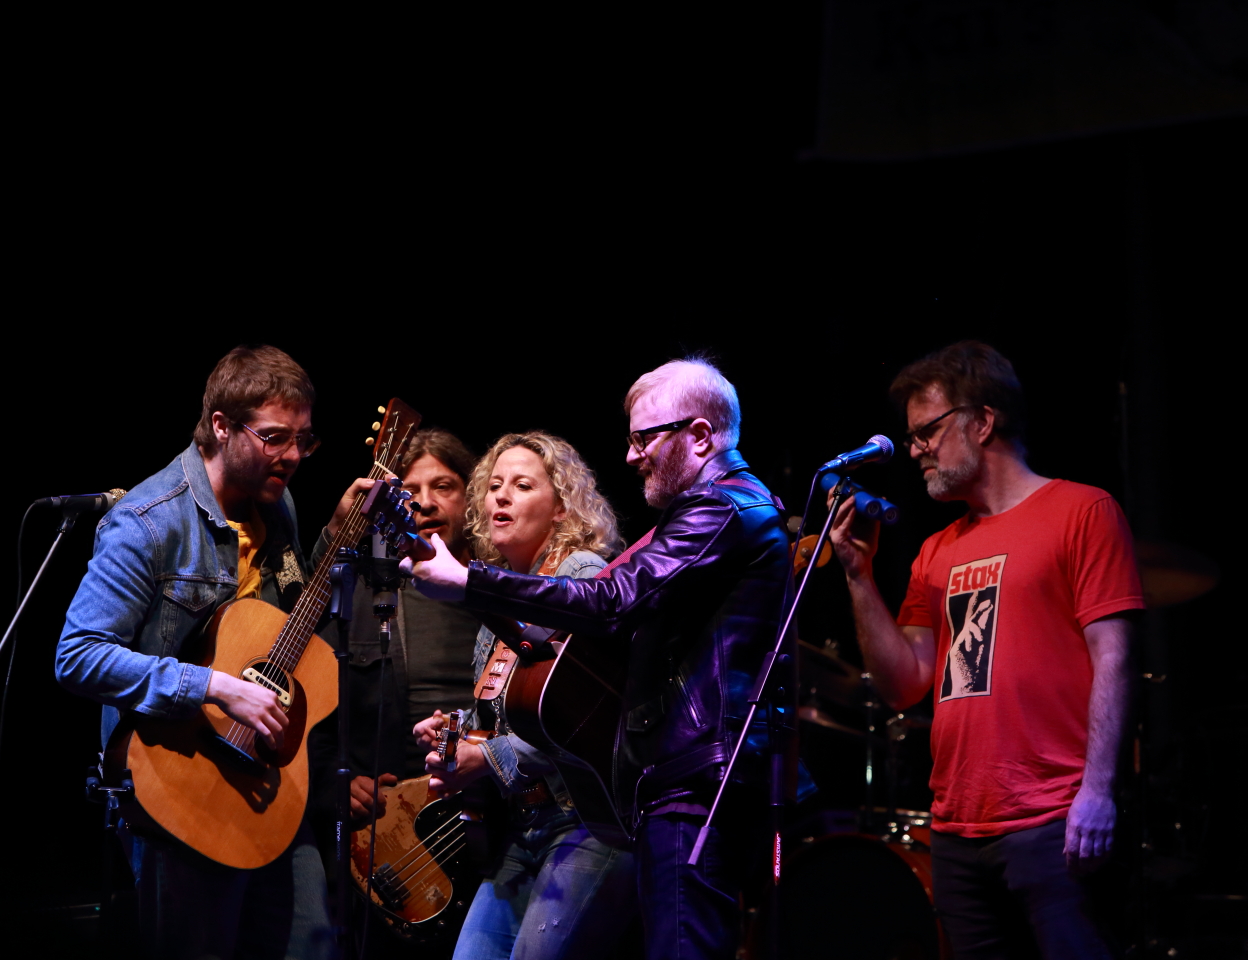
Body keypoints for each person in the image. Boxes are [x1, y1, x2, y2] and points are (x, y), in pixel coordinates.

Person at [405, 359, 793, 960]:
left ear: (699, 436)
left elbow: (612, 601)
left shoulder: (723, 509)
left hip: (691, 783)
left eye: (645, 438)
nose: (632, 455)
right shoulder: (707, 513)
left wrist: (470, 583)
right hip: (668, 780)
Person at [826, 341, 1140, 960]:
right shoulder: (936, 551)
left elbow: (1115, 656)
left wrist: (1099, 791)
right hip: (956, 830)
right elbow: (904, 683)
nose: (914, 449)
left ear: (983, 421)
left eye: (927, 431)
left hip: (1054, 821)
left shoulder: (1082, 511)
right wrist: (858, 575)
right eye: (911, 436)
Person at [55, 345, 368, 959]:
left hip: (265, 777)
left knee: (313, 946)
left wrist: (336, 538)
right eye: (275, 437)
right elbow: (79, 655)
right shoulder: (148, 522)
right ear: (221, 426)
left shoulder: (277, 505)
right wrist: (216, 687)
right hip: (180, 782)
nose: (293, 456)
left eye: (304, 440)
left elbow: (284, 625)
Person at [411, 431, 637, 960]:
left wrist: (487, 758)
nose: (501, 496)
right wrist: (457, 730)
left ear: (561, 508)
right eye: (494, 486)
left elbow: (588, 716)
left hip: (586, 821)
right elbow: (514, 706)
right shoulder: (502, 586)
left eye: (522, 485)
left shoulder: (581, 575)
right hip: (523, 824)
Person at [303, 428, 485, 957]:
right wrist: (335, 782)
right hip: (385, 846)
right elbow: (304, 710)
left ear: (471, 496)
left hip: (482, 831)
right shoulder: (357, 597)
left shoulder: (501, 588)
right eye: (409, 491)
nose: (424, 503)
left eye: (443, 486)